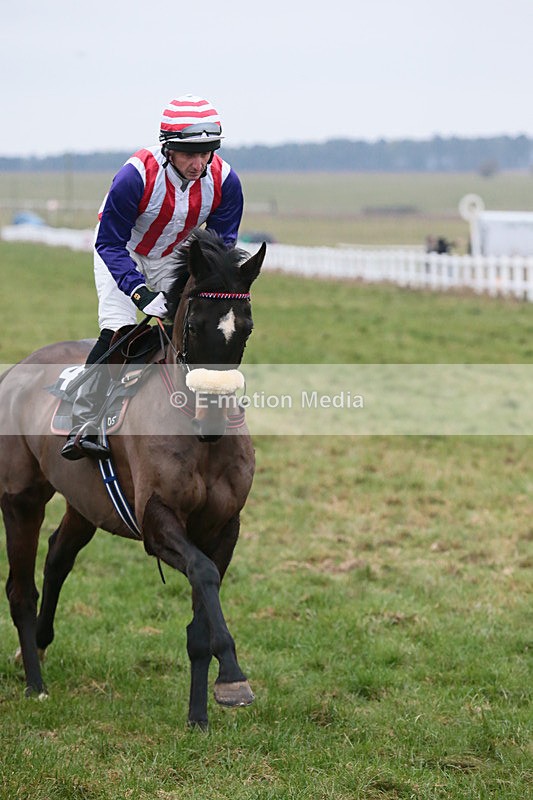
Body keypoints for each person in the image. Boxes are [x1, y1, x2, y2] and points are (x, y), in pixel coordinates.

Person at [61, 94, 244, 461]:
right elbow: (109, 242)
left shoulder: (226, 182)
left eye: (206, 153)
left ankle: (207, 405)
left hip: (172, 257)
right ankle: (85, 420)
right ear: (168, 149)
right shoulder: (135, 175)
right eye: (188, 154)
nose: (198, 164)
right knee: (120, 329)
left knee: (199, 327)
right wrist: (140, 293)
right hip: (122, 251)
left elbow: (219, 251)